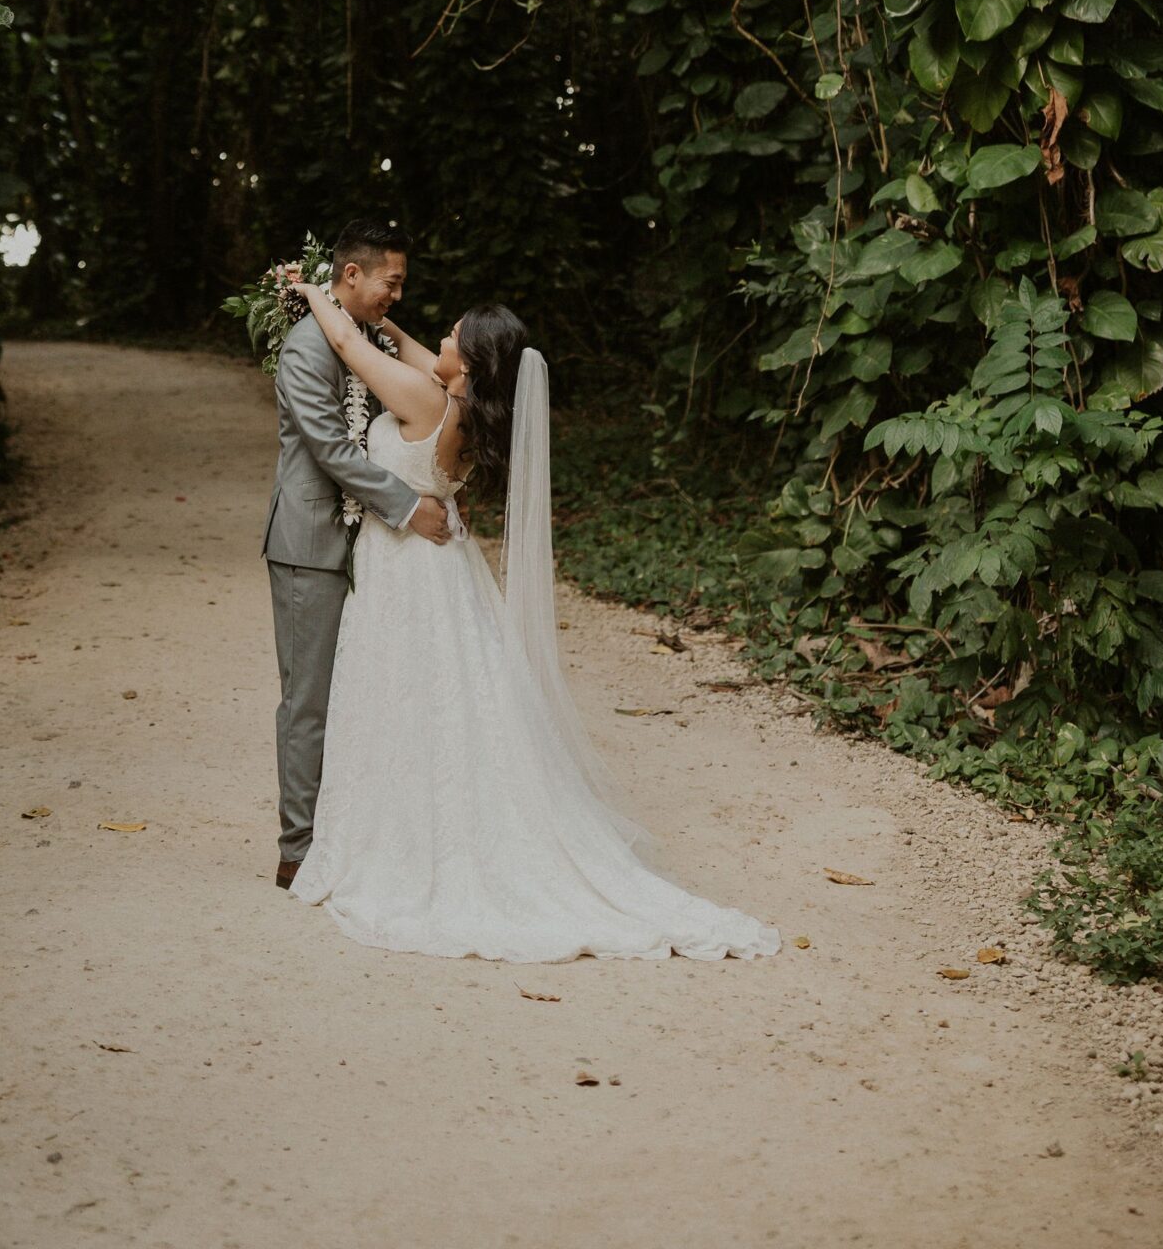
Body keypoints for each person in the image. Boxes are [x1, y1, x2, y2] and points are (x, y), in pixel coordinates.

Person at [280, 271, 780, 964]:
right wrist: (387, 324)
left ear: (469, 359)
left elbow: (343, 340)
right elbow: (418, 354)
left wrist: (311, 293)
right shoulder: (459, 398)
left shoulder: (425, 402)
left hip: (406, 570)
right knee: (446, 699)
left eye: (452, 333)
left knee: (405, 694)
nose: (441, 337)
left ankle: (399, 838)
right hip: (440, 566)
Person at [262, 219, 453, 889]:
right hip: (310, 544)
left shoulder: (366, 339)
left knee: (362, 696)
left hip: (369, 547)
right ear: (352, 275)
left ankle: (355, 831)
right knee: (308, 701)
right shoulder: (305, 348)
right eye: (390, 282)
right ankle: (298, 850)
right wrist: (406, 503)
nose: (397, 295)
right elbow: (329, 447)